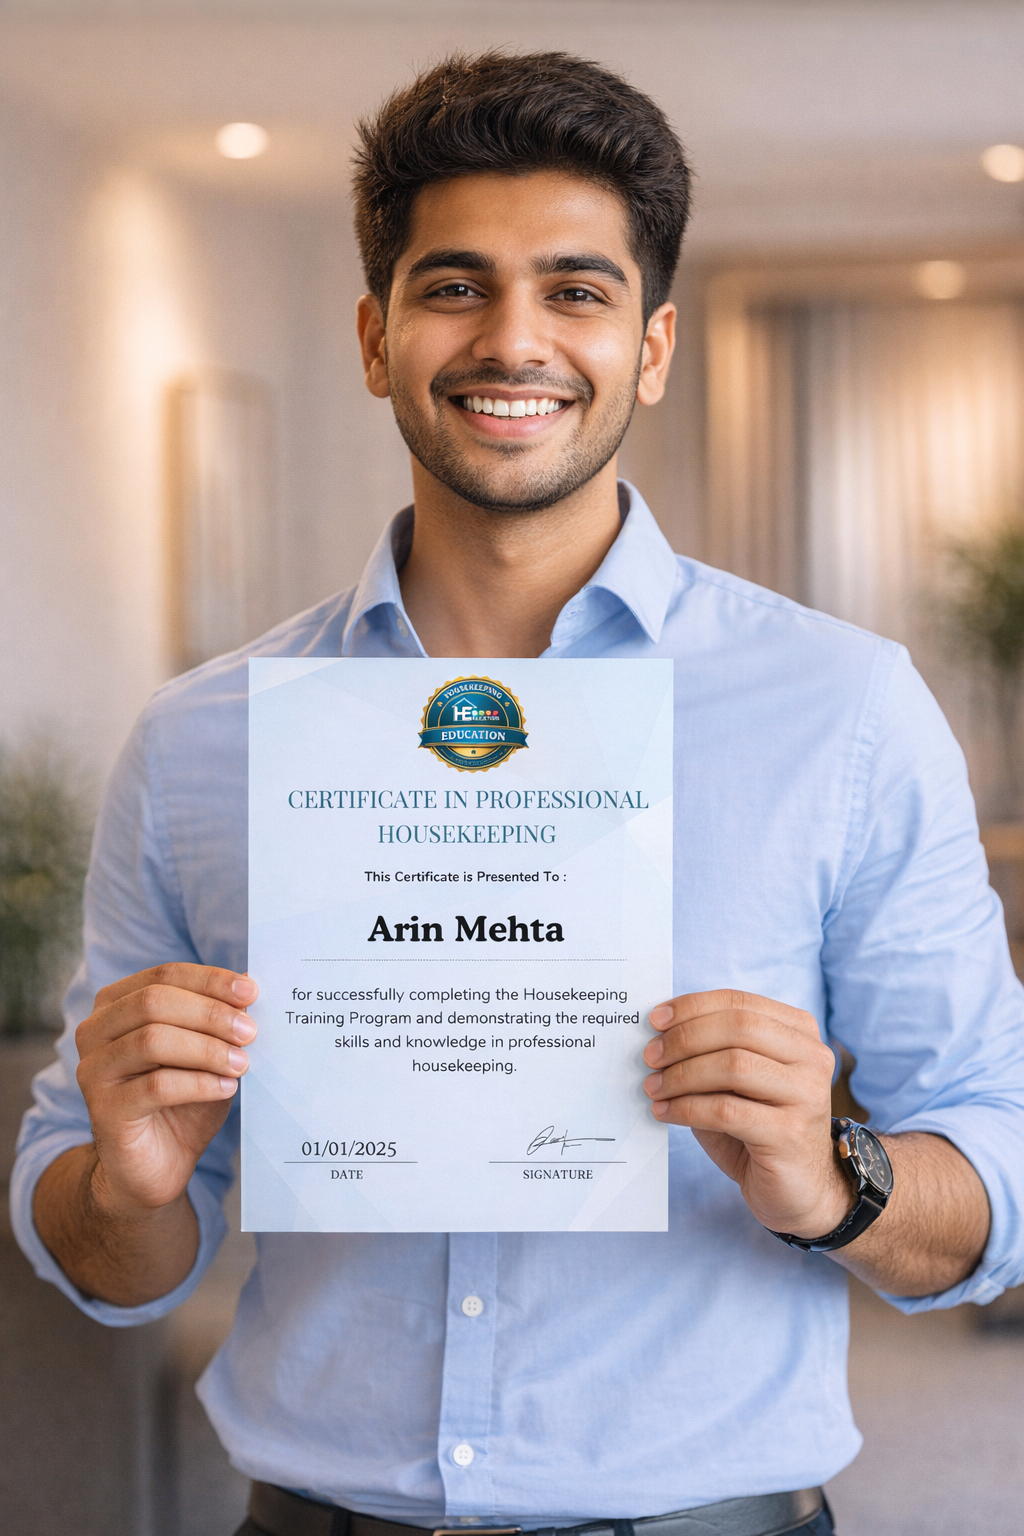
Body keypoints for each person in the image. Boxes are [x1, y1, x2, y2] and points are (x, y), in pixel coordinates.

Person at [13, 50, 1024, 1536]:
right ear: (374, 336)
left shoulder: (845, 710)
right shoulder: (200, 741)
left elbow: (993, 1174)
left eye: (576, 289)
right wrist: (130, 1179)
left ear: (653, 344)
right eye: (453, 286)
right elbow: (109, 1256)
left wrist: (832, 1177)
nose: (513, 339)